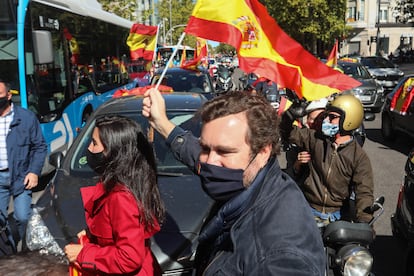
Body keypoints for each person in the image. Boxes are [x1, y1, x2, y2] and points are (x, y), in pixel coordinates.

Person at [142, 88, 325, 275]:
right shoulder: (251, 175)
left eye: (224, 151)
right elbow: (199, 154)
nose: (209, 162)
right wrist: (163, 124)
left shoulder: (279, 257)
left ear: (263, 152)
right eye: (205, 148)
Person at [64, 115, 165, 275]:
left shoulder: (121, 197)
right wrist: (92, 234)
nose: (89, 149)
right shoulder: (120, 183)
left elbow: (129, 258)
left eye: (95, 143)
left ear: (113, 151)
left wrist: (83, 253)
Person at [281, 93, 374, 224]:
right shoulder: (315, 139)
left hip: (338, 218)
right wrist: (289, 116)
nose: (326, 120)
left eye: (332, 117)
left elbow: (364, 192)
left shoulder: (358, 157)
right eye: (326, 116)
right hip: (308, 212)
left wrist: (365, 223)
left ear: (348, 120)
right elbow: (287, 133)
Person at [0, 79, 47, 249]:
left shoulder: (26, 118)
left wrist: (34, 171)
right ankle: (10, 252)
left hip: (21, 176)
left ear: (9, 95)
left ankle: (26, 249)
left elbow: (40, 146)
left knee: (22, 217)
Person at [284, 97, 328, 181]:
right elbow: (289, 176)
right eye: (312, 119)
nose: (316, 122)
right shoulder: (299, 140)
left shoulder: (331, 141)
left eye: (321, 118)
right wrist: (298, 164)